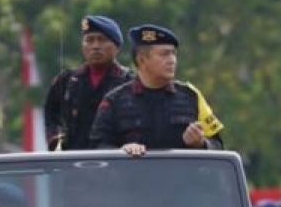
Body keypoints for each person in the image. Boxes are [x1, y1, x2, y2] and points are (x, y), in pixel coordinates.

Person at [90, 24, 225, 154]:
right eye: (164, 54)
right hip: (132, 176)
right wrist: (122, 151)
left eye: (173, 54)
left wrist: (201, 144)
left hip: (180, 177)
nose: (172, 60)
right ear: (142, 60)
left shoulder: (191, 96)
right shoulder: (114, 101)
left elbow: (218, 146)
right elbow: (97, 146)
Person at [44, 15, 132, 150]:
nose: (95, 46)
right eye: (89, 40)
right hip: (73, 161)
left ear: (117, 46)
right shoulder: (67, 81)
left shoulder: (129, 82)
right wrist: (55, 139)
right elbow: (51, 114)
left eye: (102, 40)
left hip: (115, 161)